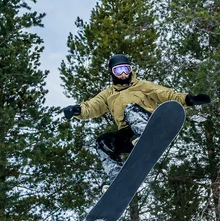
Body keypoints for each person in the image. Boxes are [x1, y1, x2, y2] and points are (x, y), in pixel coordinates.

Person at [63, 54, 211, 190]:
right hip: (130, 136)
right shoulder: (108, 95)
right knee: (103, 142)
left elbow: (165, 94)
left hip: (148, 122)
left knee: (130, 109)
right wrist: (77, 110)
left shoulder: (142, 86)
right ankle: (117, 177)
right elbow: (92, 106)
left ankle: (146, 137)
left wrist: (188, 99)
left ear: (131, 70)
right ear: (112, 73)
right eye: (118, 70)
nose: (123, 74)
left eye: (126, 70)